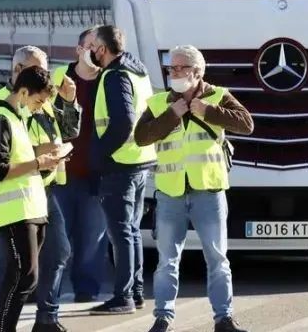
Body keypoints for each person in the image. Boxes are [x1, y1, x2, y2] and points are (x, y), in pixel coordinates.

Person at [135, 46, 253, 332]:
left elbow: (247, 124)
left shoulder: (218, 96)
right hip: (170, 192)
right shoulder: (159, 102)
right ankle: (162, 318)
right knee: (167, 261)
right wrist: (172, 115)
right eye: (171, 68)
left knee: (217, 258)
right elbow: (140, 137)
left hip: (208, 191)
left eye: (180, 68)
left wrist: (209, 111)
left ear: (198, 72)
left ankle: (223, 318)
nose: (173, 72)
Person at [0, 47, 79, 332]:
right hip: (16, 193)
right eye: (37, 71)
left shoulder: (41, 95)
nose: (44, 78)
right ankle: (2, 320)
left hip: (42, 189)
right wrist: (42, 156)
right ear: (17, 72)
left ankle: (46, 318)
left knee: (56, 253)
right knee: (14, 266)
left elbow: (69, 130)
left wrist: (70, 102)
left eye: (46, 71)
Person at [0, 65, 60, 332]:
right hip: (13, 212)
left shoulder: (17, 117)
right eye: (37, 101)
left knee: (26, 278)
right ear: (23, 92)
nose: (39, 108)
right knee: (24, 276)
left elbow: (18, 159)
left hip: (29, 208)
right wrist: (38, 162)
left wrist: (43, 157)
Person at [87, 25, 156, 315]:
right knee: (131, 230)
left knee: (121, 233)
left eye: (92, 45)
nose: (89, 51)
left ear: (102, 49)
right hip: (139, 159)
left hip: (121, 164)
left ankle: (124, 296)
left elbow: (123, 122)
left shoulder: (115, 76)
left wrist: (99, 154)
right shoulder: (137, 70)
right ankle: (136, 292)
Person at [53, 30, 108, 304]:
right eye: (90, 46)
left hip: (95, 173)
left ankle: (86, 290)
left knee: (92, 238)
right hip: (60, 171)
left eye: (99, 47)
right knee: (57, 238)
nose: (95, 51)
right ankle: (48, 288)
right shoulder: (58, 78)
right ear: (78, 49)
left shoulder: (108, 80)